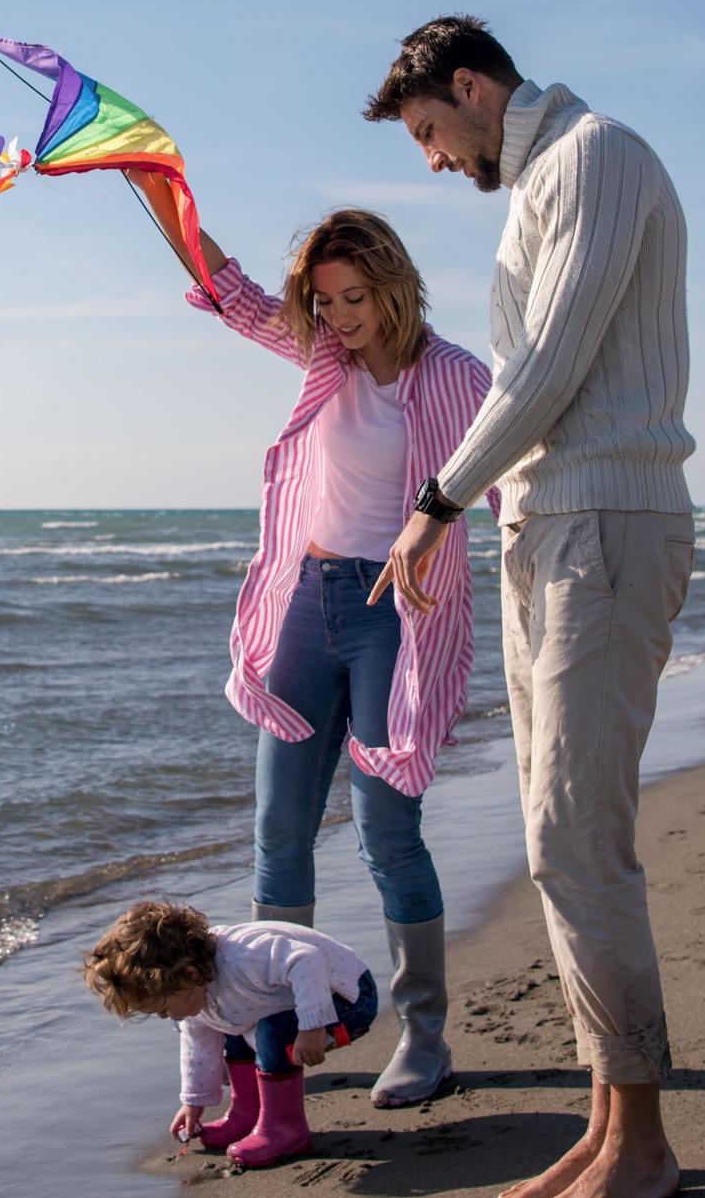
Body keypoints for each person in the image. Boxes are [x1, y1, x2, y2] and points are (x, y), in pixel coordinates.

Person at [361, 15, 697, 1198]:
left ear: (472, 86)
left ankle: (647, 1140)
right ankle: (610, 1119)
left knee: (574, 834)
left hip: (607, 520)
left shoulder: (600, 155)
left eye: (432, 134)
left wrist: (434, 504)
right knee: (555, 837)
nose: (435, 161)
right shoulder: (540, 185)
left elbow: (547, 364)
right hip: (548, 526)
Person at [187, 210, 492, 1108]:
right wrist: (159, 188)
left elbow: (515, 469)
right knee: (279, 835)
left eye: (355, 298)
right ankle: (281, 1033)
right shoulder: (325, 356)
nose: (341, 316)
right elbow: (231, 293)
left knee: (385, 835)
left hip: (392, 616)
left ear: (396, 284)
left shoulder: (456, 378)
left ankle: (425, 1038)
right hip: (305, 602)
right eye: (325, 301)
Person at [82, 898, 380, 1170]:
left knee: (271, 1031)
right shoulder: (195, 992)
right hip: (289, 1002)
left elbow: (306, 959)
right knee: (232, 1028)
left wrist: (312, 1026)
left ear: (189, 975)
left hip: (347, 997)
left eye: (162, 1008)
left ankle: (285, 1129)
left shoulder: (243, 959)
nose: (166, 1017)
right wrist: (193, 1103)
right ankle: (247, 1114)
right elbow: (198, 1044)